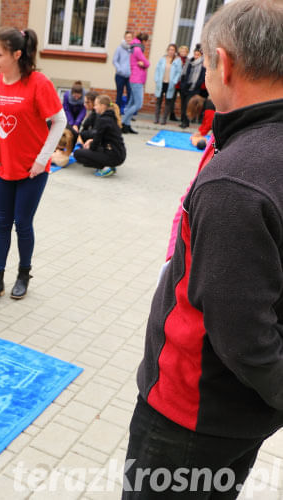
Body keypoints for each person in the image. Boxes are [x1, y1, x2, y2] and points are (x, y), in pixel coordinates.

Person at [124, 1, 283, 497]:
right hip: (238, 409)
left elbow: (243, 336)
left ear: (224, 63)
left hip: (193, 411)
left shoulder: (237, 179)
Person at [0, 27, 65, 304]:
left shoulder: (38, 83)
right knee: (2, 222)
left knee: (23, 223)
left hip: (31, 170)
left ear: (17, 54)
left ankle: (23, 275)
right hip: (2, 166)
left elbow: (59, 121)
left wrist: (42, 159)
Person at [73, 95, 125, 177]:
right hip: (119, 154)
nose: (94, 107)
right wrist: (91, 141)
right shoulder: (111, 117)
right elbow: (103, 138)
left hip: (114, 155)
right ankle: (108, 165)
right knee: (89, 150)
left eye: (96, 105)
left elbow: (96, 142)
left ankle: (106, 167)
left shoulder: (103, 120)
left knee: (78, 154)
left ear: (103, 106)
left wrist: (88, 147)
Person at [121, 32, 149, 134]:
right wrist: (144, 64)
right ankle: (123, 122)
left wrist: (143, 64)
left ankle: (127, 125)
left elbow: (143, 63)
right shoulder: (137, 49)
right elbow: (147, 63)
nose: (146, 44)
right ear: (144, 41)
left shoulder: (135, 47)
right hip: (137, 79)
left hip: (136, 78)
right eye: (146, 42)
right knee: (138, 104)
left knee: (132, 102)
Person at [152, 43, 182, 125]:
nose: (171, 51)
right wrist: (157, 79)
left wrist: (175, 81)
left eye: (173, 50)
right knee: (159, 101)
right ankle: (156, 118)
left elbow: (179, 72)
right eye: (170, 49)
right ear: (167, 50)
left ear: (175, 51)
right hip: (161, 83)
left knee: (168, 102)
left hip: (170, 84)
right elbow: (157, 70)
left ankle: (163, 119)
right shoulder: (162, 59)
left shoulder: (177, 60)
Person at [179, 44, 205, 129]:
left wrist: (195, 85)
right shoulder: (189, 62)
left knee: (188, 105)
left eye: (198, 55)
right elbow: (184, 74)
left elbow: (202, 78)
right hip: (185, 87)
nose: (196, 56)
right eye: (195, 54)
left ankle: (186, 122)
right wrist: (183, 84)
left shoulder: (202, 65)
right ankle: (183, 120)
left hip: (194, 88)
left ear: (201, 55)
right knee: (183, 104)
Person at [112, 31, 132, 113]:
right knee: (119, 94)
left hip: (130, 76)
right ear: (124, 38)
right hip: (120, 75)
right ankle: (117, 112)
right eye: (127, 37)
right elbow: (114, 60)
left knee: (130, 94)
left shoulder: (133, 49)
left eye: (130, 37)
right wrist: (120, 69)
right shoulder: (119, 48)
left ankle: (128, 112)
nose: (128, 39)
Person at [169, 45, 189, 121]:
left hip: (183, 83)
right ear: (179, 52)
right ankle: (172, 115)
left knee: (183, 101)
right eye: (182, 51)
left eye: (185, 51)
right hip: (175, 82)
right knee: (172, 100)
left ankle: (183, 116)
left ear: (187, 53)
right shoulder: (176, 59)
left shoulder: (188, 61)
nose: (183, 53)